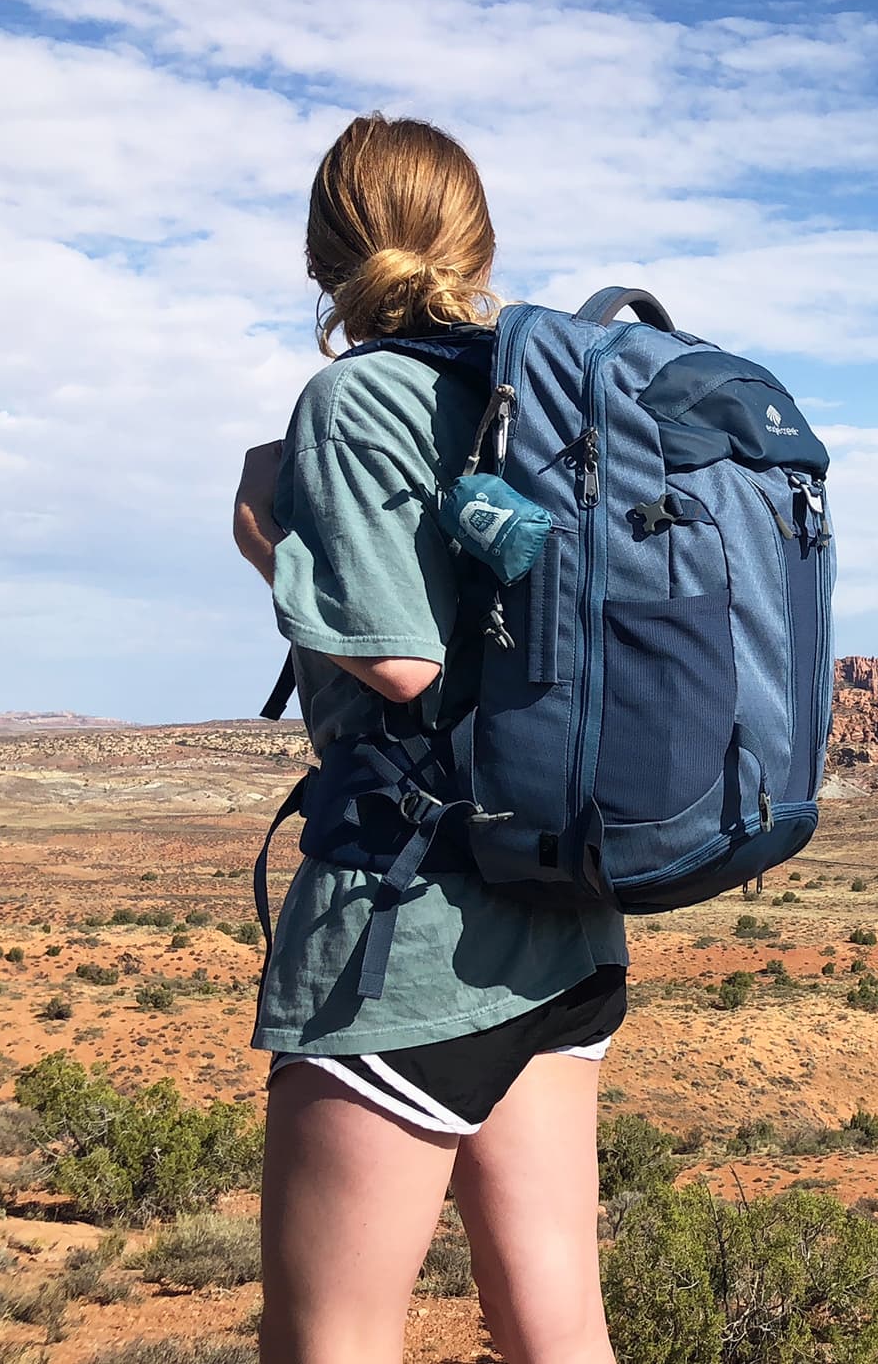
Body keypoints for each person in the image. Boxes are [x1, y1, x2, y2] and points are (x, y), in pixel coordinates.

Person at [232, 114, 628, 1364]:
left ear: (320, 256)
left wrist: (267, 542)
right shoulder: (536, 397)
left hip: (408, 944)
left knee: (330, 1341)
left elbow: (403, 662)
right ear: (478, 240)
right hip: (561, 913)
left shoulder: (356, 398)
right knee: (557, 1327)